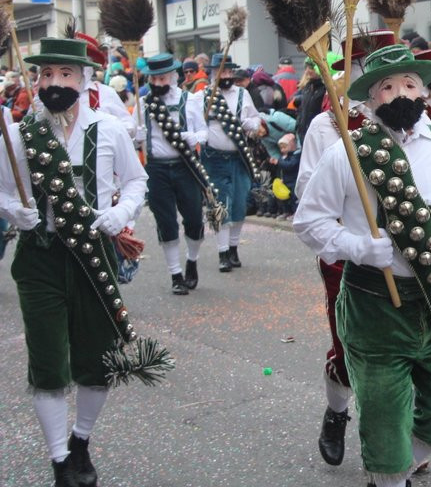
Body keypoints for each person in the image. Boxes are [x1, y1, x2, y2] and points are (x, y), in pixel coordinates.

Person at [294, 45, 431, 487]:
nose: (399, 93)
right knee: (384, 413)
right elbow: (308, 222)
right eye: (386, 87)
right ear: (370, 99)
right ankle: (388, 476)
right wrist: (358, 247)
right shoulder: (347, 151)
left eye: (408, 84)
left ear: (424, 91)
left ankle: (409, 457)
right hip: (372, 303)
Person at [0, 38, 149, 487]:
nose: (54, 83)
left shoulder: (108, 130)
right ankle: (60, 459)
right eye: (46, 75)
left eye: (64, 75)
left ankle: (81, 440)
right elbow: (4, 189)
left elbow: (138, 181)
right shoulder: (19, 135)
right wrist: (14, 210)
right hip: (40, 256)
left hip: (93, 254)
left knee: (96, 358)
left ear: (84, 81)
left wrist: (121, 213)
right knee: (47, 360)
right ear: (37, 81)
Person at [293, 30, 394, 468]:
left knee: (407, 346)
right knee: (349, 345)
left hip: (403, 251)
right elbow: (306, 190)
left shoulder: (414, 116)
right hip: (346, 251)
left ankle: (397, 439)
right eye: (365, 67)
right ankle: (337, 411)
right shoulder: (327, 122)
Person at [139, 53, 209, 296]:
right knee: (166, 222)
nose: (157, 83)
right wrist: (135, 134)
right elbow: (132, 135)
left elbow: (204, 132)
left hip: (185, 165)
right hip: (156, 168)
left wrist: (194, 138)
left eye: (162, 78)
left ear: (172, 77)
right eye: (153, 79)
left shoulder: (189, 100)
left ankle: (192, 260)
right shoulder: (143, 104)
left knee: (194, 219)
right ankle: (175, 274)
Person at [194, 53, 262, 272]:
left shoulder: (242, 94)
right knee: (219, 205)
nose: (226, 75)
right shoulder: (202, 95)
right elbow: (194, 125)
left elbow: (257, 119)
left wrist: (247, 123)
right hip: (213, 158)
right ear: (213, 73)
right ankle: (222, 252)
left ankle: (233, 249)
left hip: (239, 157)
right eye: (221, 71)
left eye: (228, 71)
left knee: (240, 203)